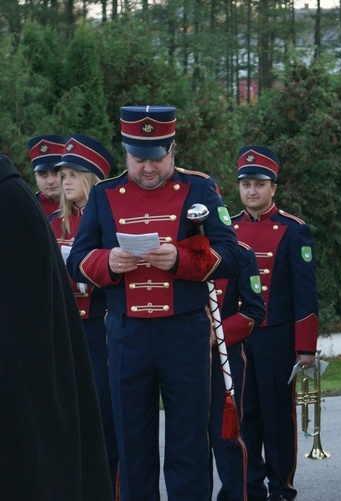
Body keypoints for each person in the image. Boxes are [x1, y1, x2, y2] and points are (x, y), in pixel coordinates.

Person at [67, 105, 243, 500]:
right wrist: (108, 262)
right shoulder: (103, 194)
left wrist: (182, 259)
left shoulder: (199, 187)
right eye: (137, 158)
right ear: (125, 152)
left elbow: (232, 254)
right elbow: (78, 260)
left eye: (157, 158)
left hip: (185, 333)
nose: (147, 168)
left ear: (173, 149)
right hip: (127, 334)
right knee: (132, 446)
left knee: (189, 446)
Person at [0, 154, 112, 500]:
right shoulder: (40, 211)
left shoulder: (10, 203)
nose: (58, 182)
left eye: (68, 175)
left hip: (95, 330)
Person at [232, 145, 319, 501]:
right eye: (246, 184)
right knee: (244, 413)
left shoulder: (294, 230)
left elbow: (305, 293)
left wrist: (306, 348)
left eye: (259, 184)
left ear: (273, 188)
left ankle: (281, 486)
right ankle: (250, 484)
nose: (252, 191)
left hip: (276, 337)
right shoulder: (227, 228)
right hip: (239, 336)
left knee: (277, 416)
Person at [49, 134, 119, 494]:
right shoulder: (52, 222)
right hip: (66, 330)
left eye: (75, 174)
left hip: (100, 329)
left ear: (92, 178)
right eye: (63, 176)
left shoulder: (109, 221)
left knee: (105, 420)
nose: (66, 182)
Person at [208, 244, 266, 501]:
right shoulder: (171, 249)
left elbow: (254, 310)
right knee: (188, 442)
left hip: (223, 357)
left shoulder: (240, 253)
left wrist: (216, 335)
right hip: (180, 356)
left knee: (227, 438)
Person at [28, 134, 66, 217]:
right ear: (36, 178)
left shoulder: (83, 206)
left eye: (56, 173)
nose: (50, 181)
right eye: (43, 175)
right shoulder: (28, 208)